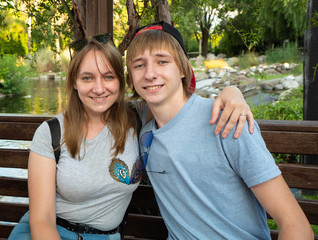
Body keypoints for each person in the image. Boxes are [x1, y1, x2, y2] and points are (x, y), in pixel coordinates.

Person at [8, 32, 254, 240]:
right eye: (87, 78)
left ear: (121, 81)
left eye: (108, 77)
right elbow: (41, 221)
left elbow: (178, 100)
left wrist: (232, 92)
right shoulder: (52, 133)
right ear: (74, 82)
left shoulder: (138, 117)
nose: (99, 88)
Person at [126, 21, 313, 239]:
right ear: (131, 77)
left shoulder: (228, 121)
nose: (150, 74)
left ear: (183, 69)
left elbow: (295, 224)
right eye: (139, 65)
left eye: (162, 61)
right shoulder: (142, 126)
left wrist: (233, 91)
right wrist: (233, 89)